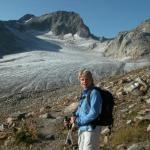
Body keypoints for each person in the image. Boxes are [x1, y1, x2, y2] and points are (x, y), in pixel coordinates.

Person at [69, 69, 103, 150]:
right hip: (82, 129)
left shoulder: (94, 93)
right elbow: (80, 111)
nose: (84, 81)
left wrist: (78, 121)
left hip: (91, 130)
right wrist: (73, 118)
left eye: (87, 79)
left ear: (91, 80)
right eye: (82, 79)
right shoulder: (84, 94)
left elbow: (94, 113)